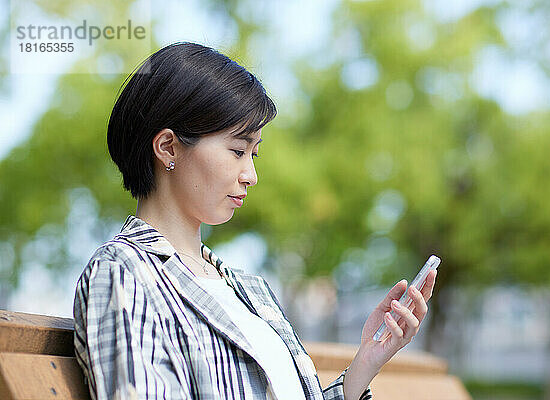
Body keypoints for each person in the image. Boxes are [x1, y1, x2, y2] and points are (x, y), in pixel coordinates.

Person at [73, 42, 437, 400]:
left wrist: (366, 363)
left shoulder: (249, 289)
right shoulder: (125, 272)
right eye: (237, 151)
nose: (251, 175)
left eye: (254, 154)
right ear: (168, 147)